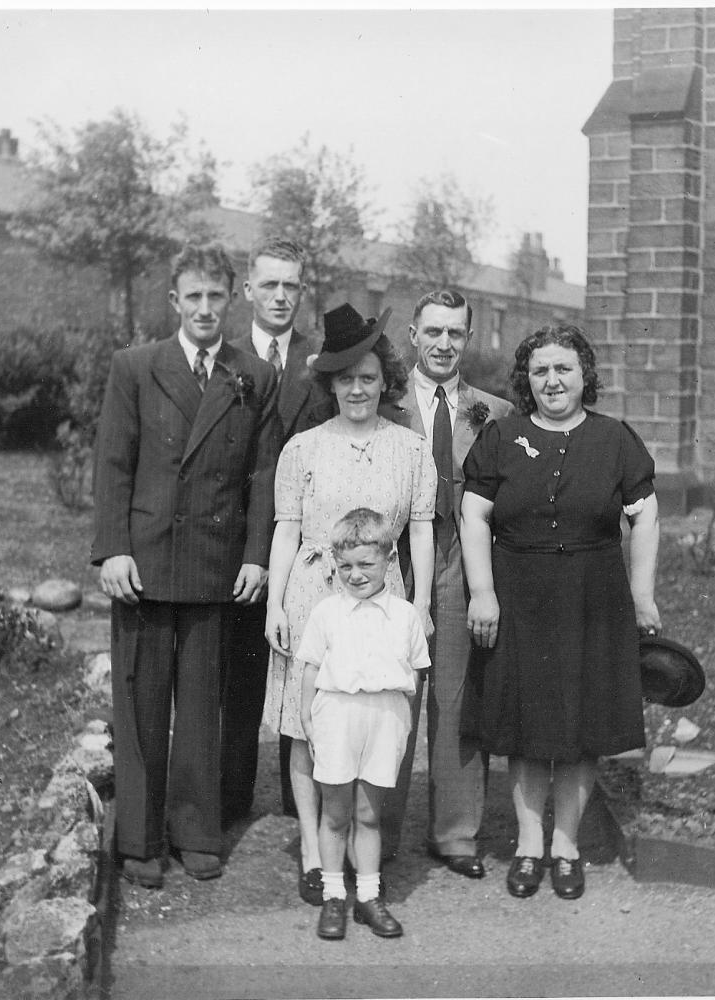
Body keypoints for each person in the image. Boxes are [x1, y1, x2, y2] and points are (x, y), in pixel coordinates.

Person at [91, 243, 279, 889]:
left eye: (215, 296)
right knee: (141, 707)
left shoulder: (253, 374)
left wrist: (255, 556)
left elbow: (262, 474)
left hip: (213, 568)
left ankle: (195, 832)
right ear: (174, 302)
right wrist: (112, 547)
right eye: (192, 297)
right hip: (143, 565)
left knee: (202, 709)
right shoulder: (136, 367)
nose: (204, 308)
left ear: (232, 300)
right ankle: (139, 839)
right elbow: (113, 463)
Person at [460, 324, 661, 901]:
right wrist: (482, 592)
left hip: (592, 597)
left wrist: (642, 594)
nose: (552, 380)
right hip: (517, 592)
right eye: (541, 370)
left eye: (564, 369)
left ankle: (566, 846)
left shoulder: (616, 439)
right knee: (525, 728)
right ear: (526, 379)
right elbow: (475, 517)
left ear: (584, 375)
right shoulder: (500, 436)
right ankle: (528, 846)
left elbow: (645, 515)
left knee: (581, 728)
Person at [264, 302, 436, 907]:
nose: (357, 389)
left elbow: (418, 530)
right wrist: (276, 607)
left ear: (384, 379)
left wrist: (418, 603)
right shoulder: (302, 449)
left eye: (367, 377)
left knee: (365, 720)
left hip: (382, 601)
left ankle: (362, 847)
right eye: (345, 379)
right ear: (329, 384)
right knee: (310, 729)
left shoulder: (411, 449)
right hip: (313, 596)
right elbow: (285, 529)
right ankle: (315, 854)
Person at [381, 289, 513, 877]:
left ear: (468, 337)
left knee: (456, 694)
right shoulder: (382, 403)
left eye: (455, 333)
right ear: (413, 335)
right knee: (387, 691)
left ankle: (455, 831)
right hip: (392, 560)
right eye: (432, 332)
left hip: (460, 558)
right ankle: (375, 830)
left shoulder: (494, 412)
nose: (443, 344)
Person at [221, 237, 332, 824]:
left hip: (308, 545)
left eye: (292, 285)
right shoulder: (225, 357)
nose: (282, 296)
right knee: (238, 669)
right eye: (270, 285)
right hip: (240, 540)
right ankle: (232, 796)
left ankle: (302, 801)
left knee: (305, 666)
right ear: (248, 291)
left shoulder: (323, 361)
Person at [298, 508, 430, 940]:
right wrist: (307, 715)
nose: (355, 575)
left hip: (384, 718)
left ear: (390, 560)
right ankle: (335, 896)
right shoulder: (326, 613)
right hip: (337, 716)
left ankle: (369, 897)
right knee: (335, 814)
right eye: (345, 567)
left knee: (369, 814)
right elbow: (311, 670)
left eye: (366, 565)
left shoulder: (405, 615)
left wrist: (400, 723)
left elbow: (413, 675)